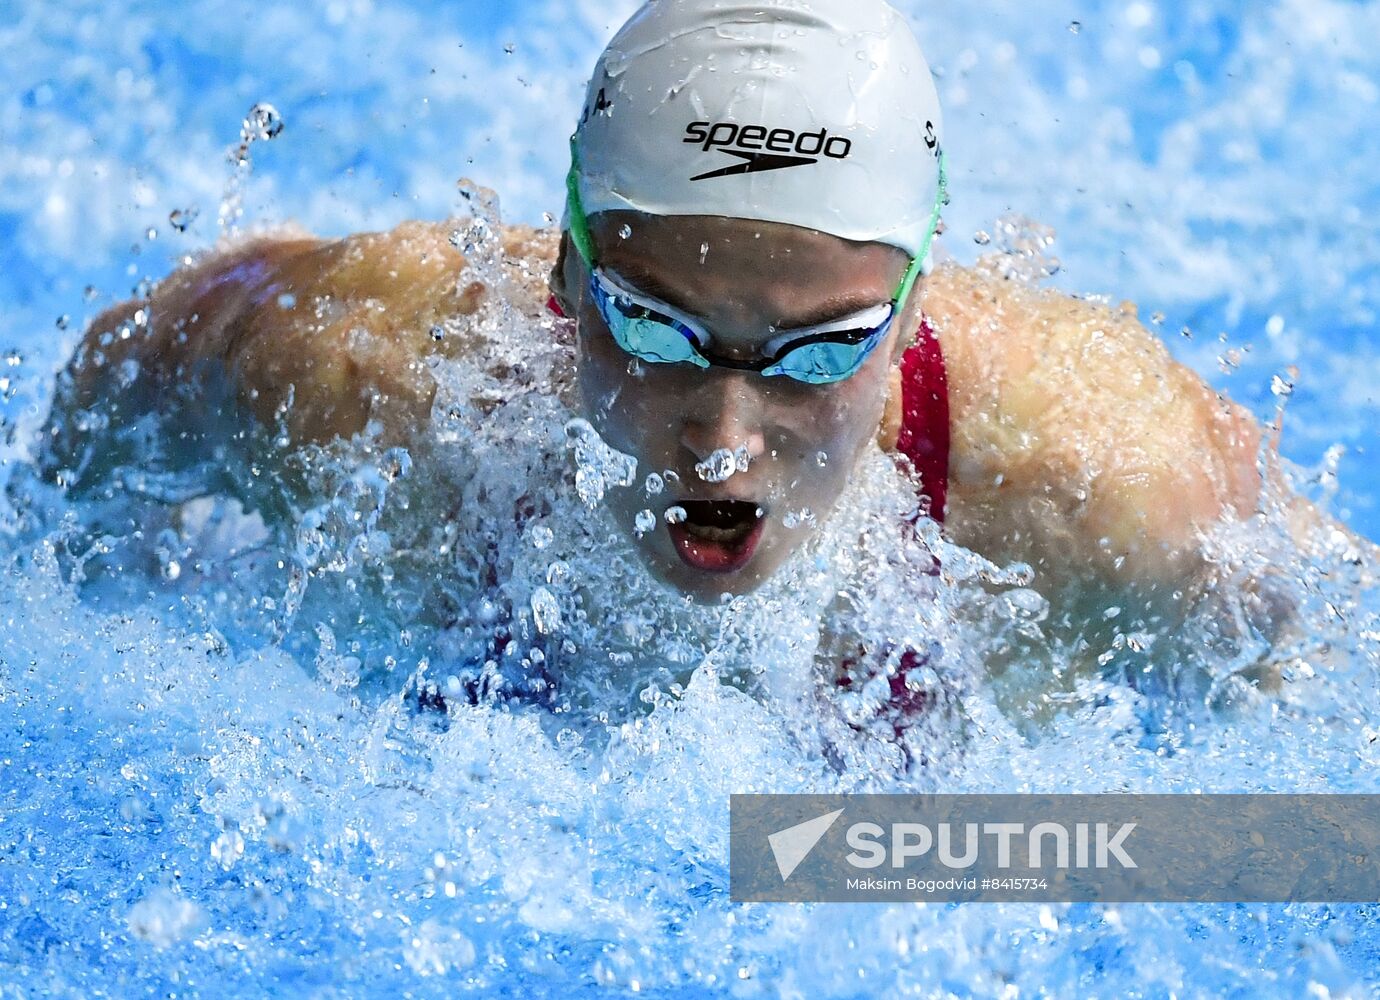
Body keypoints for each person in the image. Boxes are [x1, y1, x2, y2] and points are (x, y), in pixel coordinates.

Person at [38, 0, 1351, 666]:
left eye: (822, 353)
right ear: (565, 276)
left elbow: (1315, 753)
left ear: (910, 315)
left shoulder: (1112, 483)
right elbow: (132, 374)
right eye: (656, 332)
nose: (723, 445)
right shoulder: (365, 372)